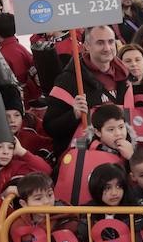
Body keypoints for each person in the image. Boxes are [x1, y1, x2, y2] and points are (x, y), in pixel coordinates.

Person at [44, 25, 129, 157]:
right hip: (84, 158)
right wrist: (73, 115)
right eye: (100, 43)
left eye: (111, 41)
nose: (107, 48)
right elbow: (49, 127)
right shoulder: (69, 79)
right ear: (87, 46)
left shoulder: (125, 76)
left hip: (121, 155)